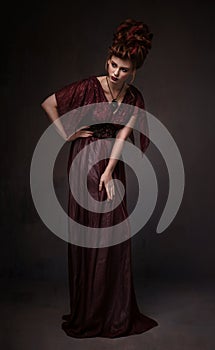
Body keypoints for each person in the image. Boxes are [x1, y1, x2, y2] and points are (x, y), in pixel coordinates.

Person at [41, 18, 158, 338]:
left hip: (112, 164)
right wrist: (67, 133)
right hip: (84, 159)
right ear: (108, 59)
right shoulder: (89, 86)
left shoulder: (134, 98)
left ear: (133, 70)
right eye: (112, 64)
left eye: (122, 68)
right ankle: (90, 313)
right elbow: (49, 103)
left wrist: (108, 173)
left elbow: (122, 138)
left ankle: (110, 311)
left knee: (113, 236)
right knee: (92, 234)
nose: (115, 72)